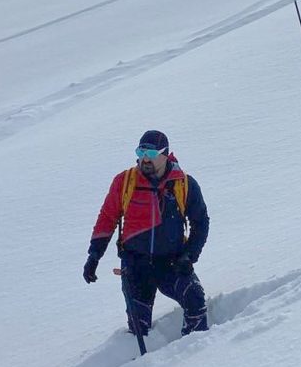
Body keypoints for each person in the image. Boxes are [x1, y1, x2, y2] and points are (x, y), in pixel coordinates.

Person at [83, 130, 209, 337]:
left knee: (195, 299)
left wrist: (189, 256)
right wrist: (94, 256)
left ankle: (194, 355)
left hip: (172, 263)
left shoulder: (184, 184)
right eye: (140, 152)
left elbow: (201, 223)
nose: (144, 159)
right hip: (135, 266)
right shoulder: (125, 182)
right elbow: (107, 217)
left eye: (150, 153)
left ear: (165, 154)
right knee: (138, 329)